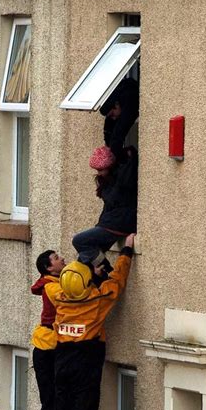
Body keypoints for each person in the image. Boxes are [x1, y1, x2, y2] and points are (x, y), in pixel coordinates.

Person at [46, 234, 135, 410]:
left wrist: (90, 275)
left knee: (62, 394)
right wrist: (127, 251)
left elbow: (74, 286)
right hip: (87, 354)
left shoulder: (59, 297)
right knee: (85, 397)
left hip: (62, 354)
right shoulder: (97, 299)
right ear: (87, 283)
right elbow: (117, 279)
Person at [72, 78, 139, 268]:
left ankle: (105, 272)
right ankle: (97, 277)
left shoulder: (121, 177)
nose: (99, 173)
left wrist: (125, 154)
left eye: (101, 169)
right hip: (112, 223)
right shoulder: (108, 179)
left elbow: (118, 138)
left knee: (79, 241)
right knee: (86, 256)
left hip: (119, 224)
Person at [30, 249, 65, 410]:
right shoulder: (52, 286)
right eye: (57, 258)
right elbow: (69, 300)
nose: (62, 259)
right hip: (47, 346)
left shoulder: (55, 282)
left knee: (53, 391)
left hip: (48, 344)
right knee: (50, 392)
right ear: (48, 267)